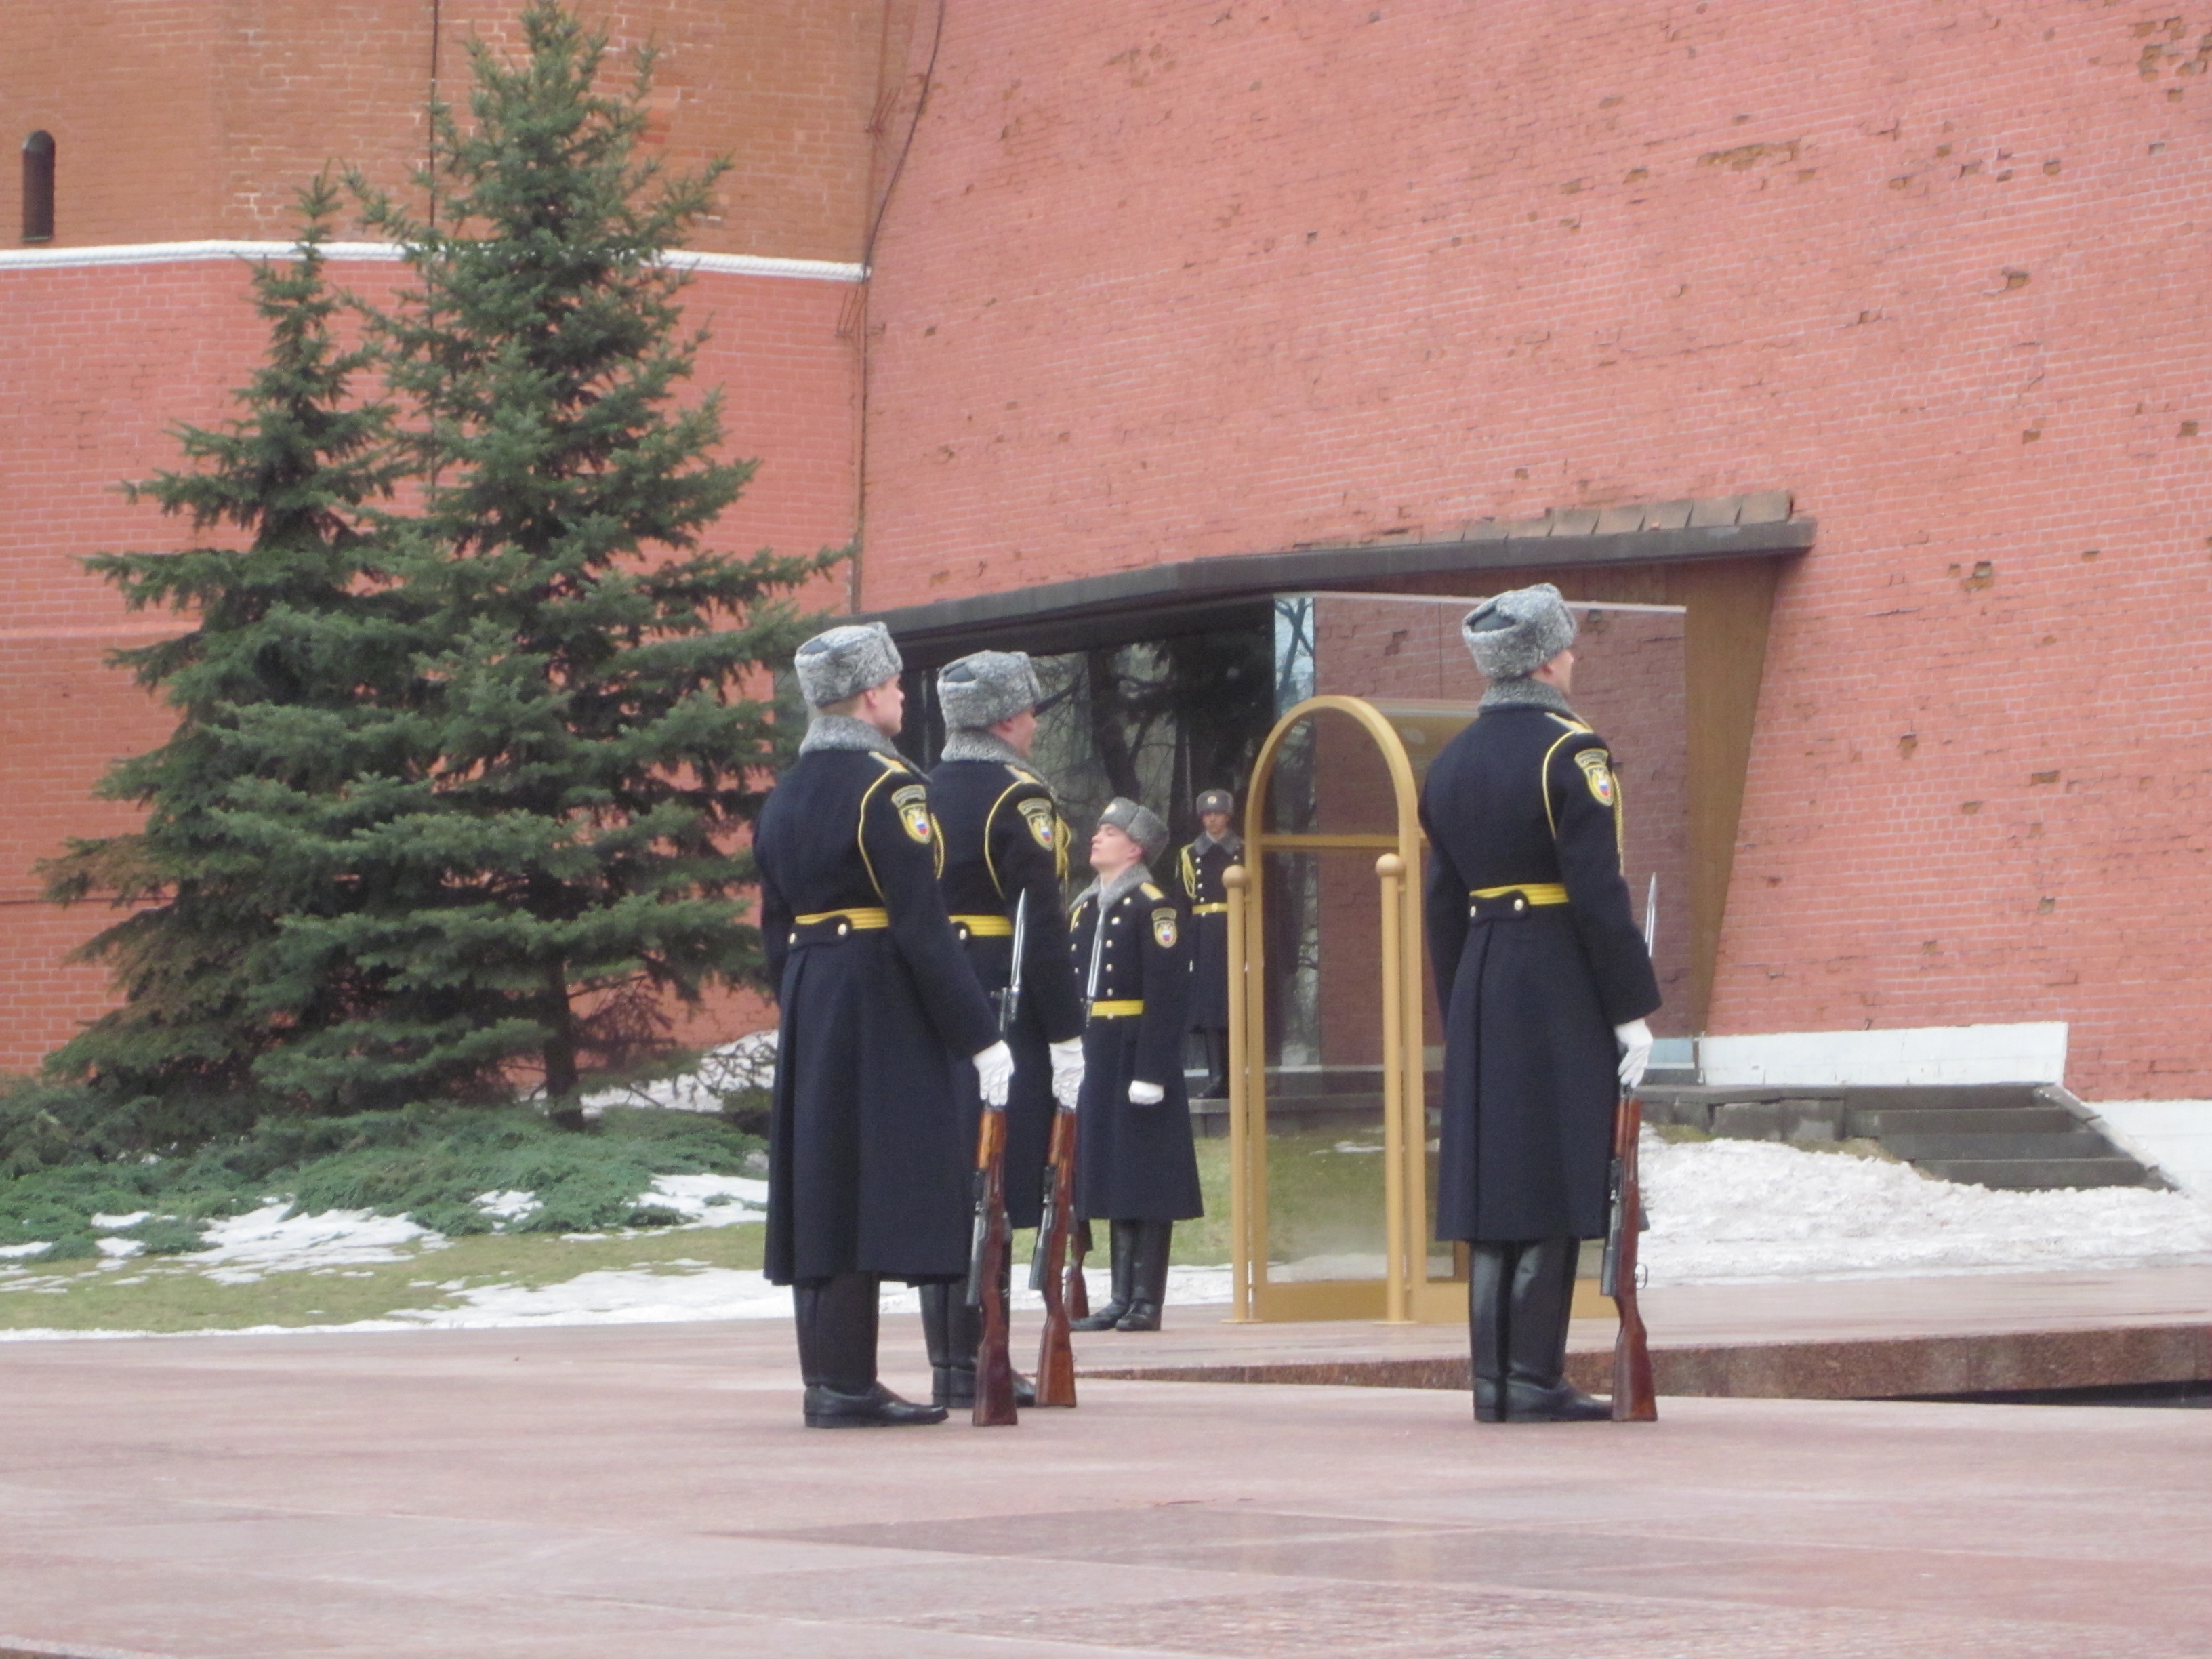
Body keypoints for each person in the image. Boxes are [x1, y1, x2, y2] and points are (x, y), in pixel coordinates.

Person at [754, 622, 1015, 1429]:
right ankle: (845, 1385)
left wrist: (801, 999)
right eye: (896, 684)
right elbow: (922, 924)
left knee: (822, 1181)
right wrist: (980, 1035)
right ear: (870, 695)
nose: (903, 696)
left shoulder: (788, 791)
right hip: (875, 995)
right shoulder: (889, 787)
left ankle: (832, 1379)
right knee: (864, 1180)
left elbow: (774, 924)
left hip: (812, 988)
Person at [1418, 584, 1659, 1424]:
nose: (1573, 658)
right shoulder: (1571, 752)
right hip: (1555, 978)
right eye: (1568, 647)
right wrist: (1629, 1007)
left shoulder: (1451, 762)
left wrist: (1461, 1003)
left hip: (1482, 976)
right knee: (1554, 1171)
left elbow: (1442, 903)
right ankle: (1532, 1377)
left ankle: (1496, 1380)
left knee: (1494, 1185)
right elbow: (1597, 892)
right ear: (1549, 660)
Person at [923, 649, 1086, 1408]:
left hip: (937, 999)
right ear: (1008, 719)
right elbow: (1043, 930)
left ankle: (953, 1363)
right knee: (997, 1183)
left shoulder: (922, 788)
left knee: (953, 1180)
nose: (1034, 725)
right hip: (1000, 998)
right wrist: (1066, 1033)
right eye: (1030, 712)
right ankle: (981, 1356)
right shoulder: (1021, 798)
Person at [1067, 797, 1203, 1332]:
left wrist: (1152, 1070)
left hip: (1136, 1050)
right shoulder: (1085, 907)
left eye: (1110, 831)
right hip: (1097, 1050)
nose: (1097, 836)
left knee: (1147, 1174)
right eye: (1099, 828)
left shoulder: (1154, 906)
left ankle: (1146, 1299)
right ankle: (1120, 1296)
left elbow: (1167, 995)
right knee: (1114, 1173)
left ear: (1136, 848)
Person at [1176, 788, 1242, 1099]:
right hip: (1203, 934)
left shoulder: (1243, 851)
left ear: (1228, 816)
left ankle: (1240, 1073)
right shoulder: (1189, 855)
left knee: (1236, 1002)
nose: (1212, 819)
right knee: (1209, 1007)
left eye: (1217, 814)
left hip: (1236, 929)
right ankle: (1217, 1076)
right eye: (1207, 814)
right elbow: (1182, 903)